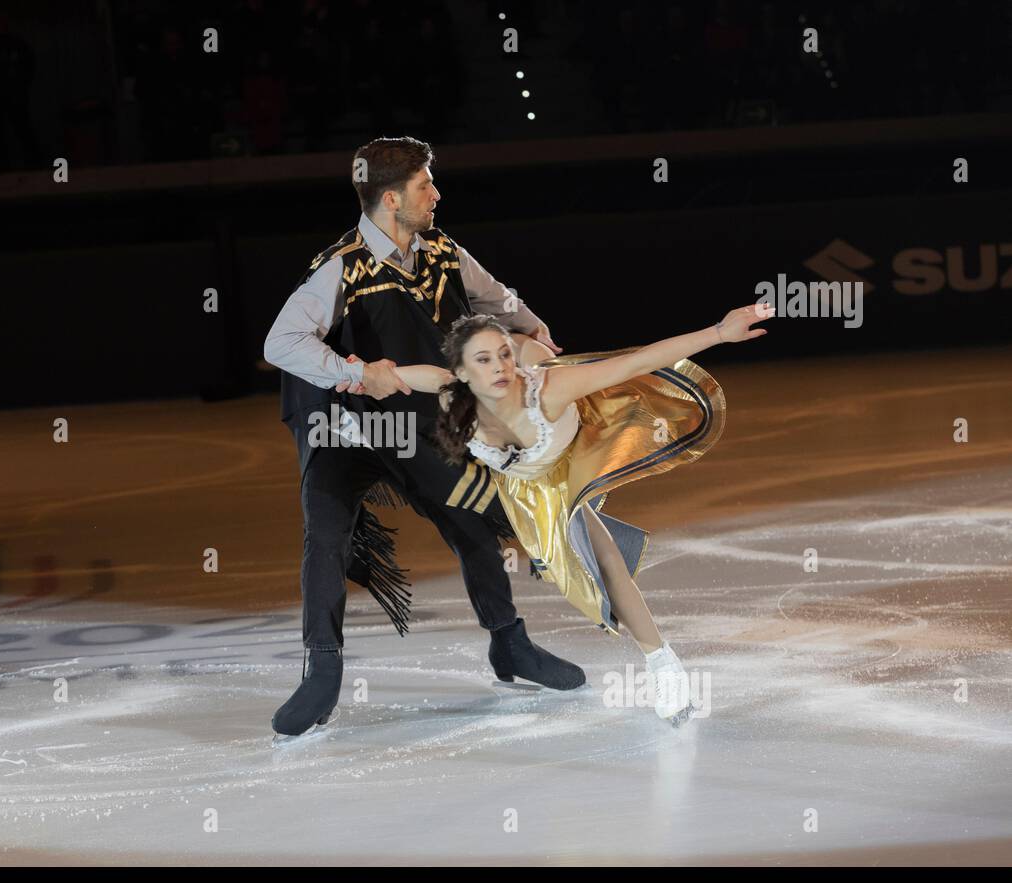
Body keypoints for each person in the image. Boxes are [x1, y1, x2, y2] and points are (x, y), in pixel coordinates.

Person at [264, 136, 585, 737]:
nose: (436, 194)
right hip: (340, 427)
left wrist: (530, 324)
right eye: (424, 185)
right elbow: (279, 344)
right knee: (326, 533)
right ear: (392, 198)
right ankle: (322, 673)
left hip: (412, 424)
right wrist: (361, 374)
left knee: (469, 519)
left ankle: (509, 645)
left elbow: (498, 299)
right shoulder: (341, 267)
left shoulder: (442, 250)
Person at [368, 304, 772, 723]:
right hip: (527, 483)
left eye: (503, 355)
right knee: (567, 566)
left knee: (600, 558)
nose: (499, 367)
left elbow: (636, 362)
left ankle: (663, 665)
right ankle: (518, 333)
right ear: (463, 372)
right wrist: (358, 374)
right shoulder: (454, 390)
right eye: (484, 360)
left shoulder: (549, 390)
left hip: (576, 449)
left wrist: (720, 333)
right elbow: (405, 375)